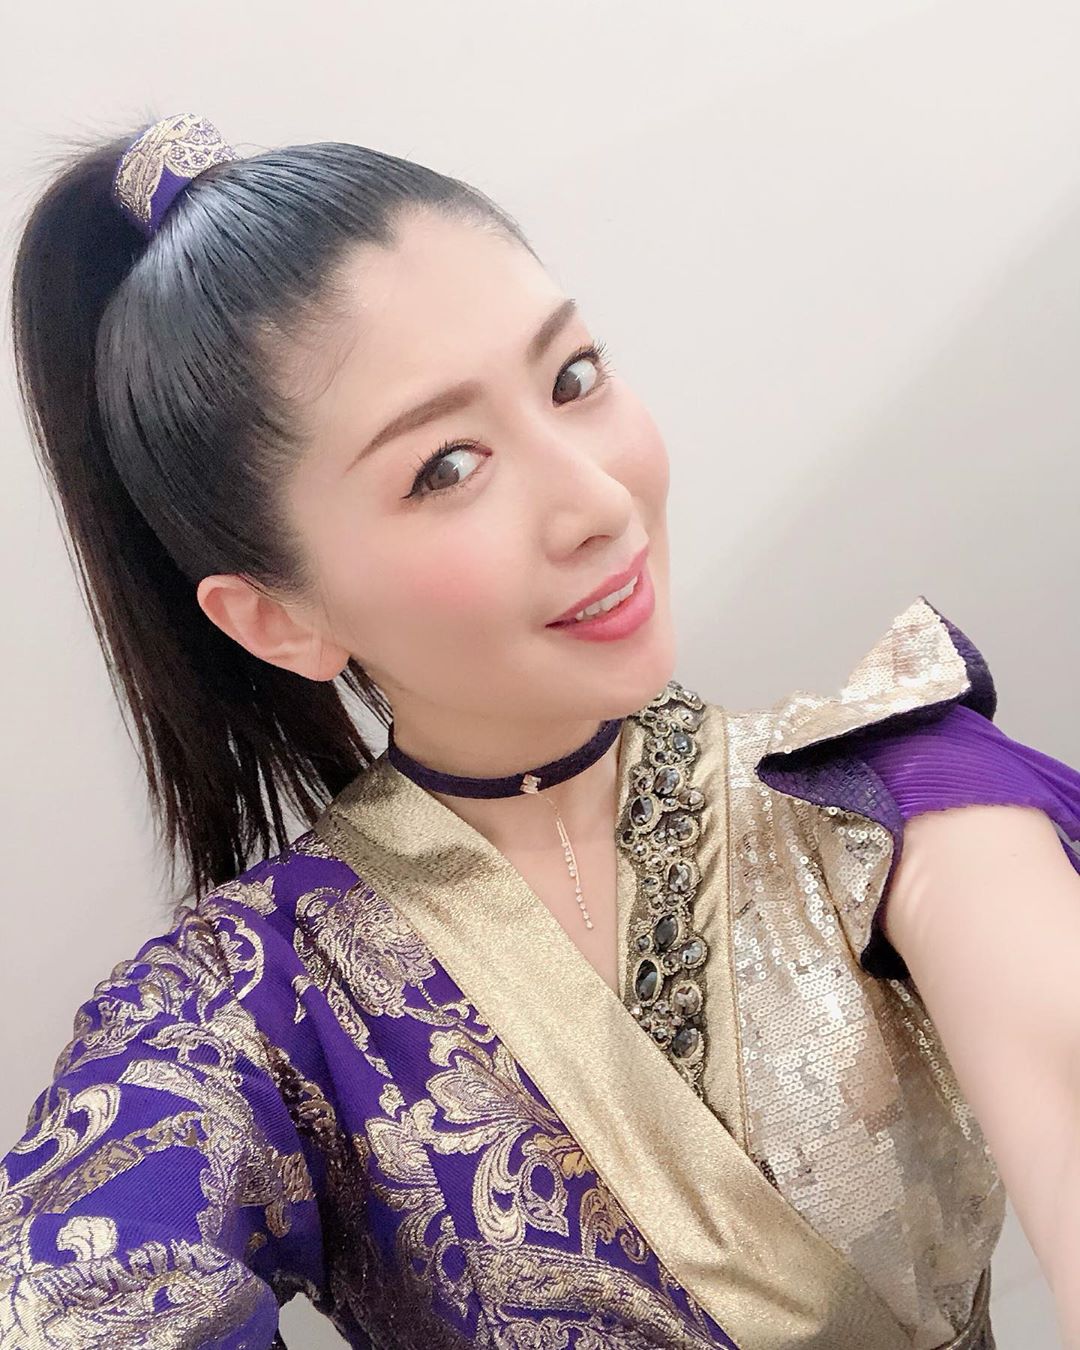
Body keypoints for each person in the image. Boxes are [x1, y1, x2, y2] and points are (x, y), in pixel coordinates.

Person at [1, 111, 1078, 1350]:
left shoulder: (889, 805)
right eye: (448, 466)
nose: (597, 499)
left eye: (573, 378)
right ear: (279, 619)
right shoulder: (253, 1005)